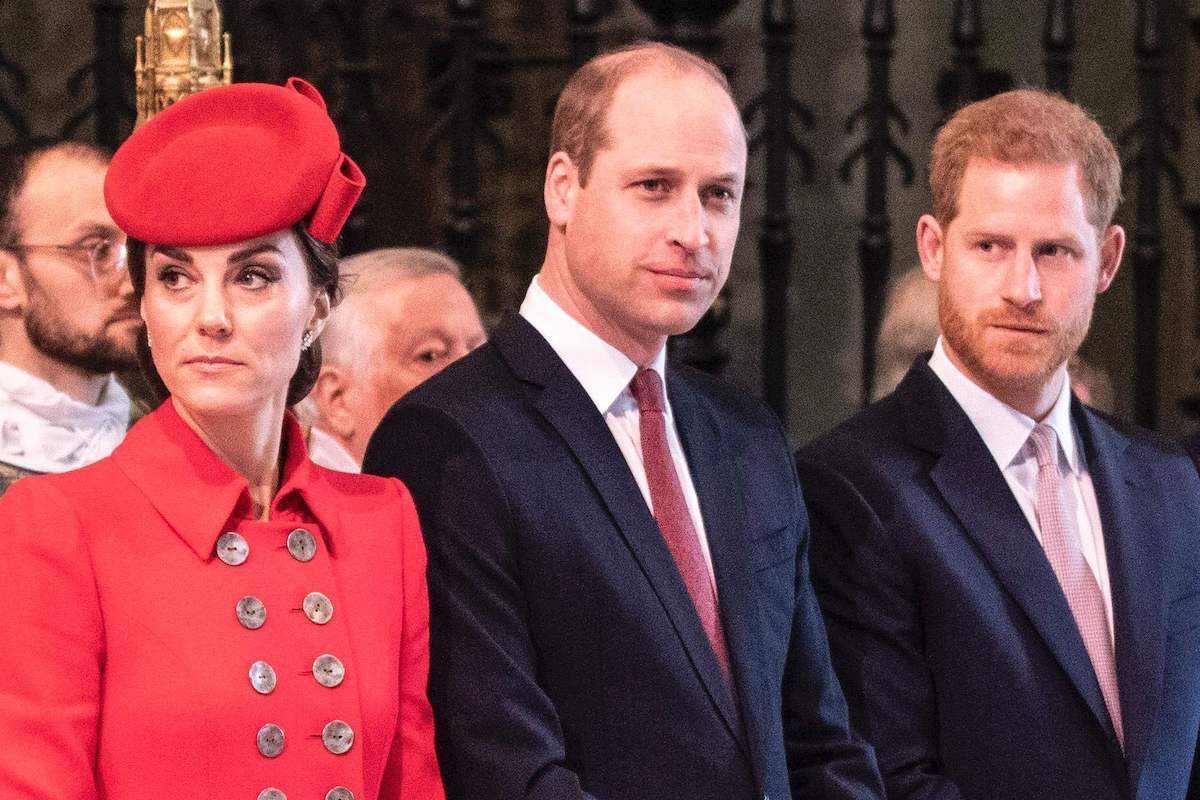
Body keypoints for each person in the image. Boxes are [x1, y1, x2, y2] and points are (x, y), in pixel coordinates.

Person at [363, 42, 884, 800]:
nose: (694, 231)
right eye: (654, 186)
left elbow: (820, 742)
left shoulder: (747, 437)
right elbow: (504, 769)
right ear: (563, 188)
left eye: (719, 194)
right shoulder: (447, 438)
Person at [0, 78, 443, 800]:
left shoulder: (380, 521)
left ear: (318, 307)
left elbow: (411, 781)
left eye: (254, 277)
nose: (209, 317)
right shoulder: (57, 526)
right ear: (143, 303)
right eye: (175, 278)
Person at [797, 89, 1200, 800]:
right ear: (933, 247)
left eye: (1055, 251)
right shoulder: (849, 487)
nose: (1024, 287)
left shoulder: (1169, 483)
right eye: (991, 246)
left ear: (1106, 261)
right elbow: (886, 777)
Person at [0, 138, 139, 493]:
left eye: (136, 250)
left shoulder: (174, 441)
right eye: (97, 250)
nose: (133, 286)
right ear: (4, 279)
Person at [297, 247, 485, 471]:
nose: (475, 376)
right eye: (430, 356)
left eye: (479, 352)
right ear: (337, 400)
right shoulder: (305, 504)